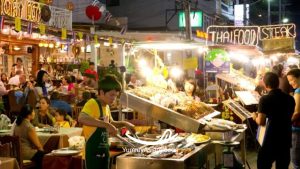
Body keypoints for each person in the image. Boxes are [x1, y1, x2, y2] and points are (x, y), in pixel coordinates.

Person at [78, 75, 135, 169]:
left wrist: (125, 124)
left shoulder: (106, 107)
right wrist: (106, 125)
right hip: (92, 154)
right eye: (111, 95)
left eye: (116, 96)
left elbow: (111, 122)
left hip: (104, 151)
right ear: (101, 92)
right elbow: (82, 118)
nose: (114, 98)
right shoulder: (92, 103)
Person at [252, 72, 295, 169]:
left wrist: (254, 116)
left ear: (265, 84)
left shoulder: (265, 99)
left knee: (263, 165)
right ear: (278, 83)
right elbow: (290, 117)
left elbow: (261, 121)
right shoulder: (290, 99)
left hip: (269, 140)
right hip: (285, 139)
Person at [13, 104, 45, 169]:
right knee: (45, 156)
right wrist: (43, 153)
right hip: (26, 153)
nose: (34, 113)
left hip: (16, 153)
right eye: (33, 112)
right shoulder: (29, 126)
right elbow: (38, 145)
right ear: (29, 115)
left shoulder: (17, 124)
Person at [287, 69, 300, 169]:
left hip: (297, 129)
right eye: (289, 81)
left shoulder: (298, 91)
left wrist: (286, 122)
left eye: (293, 80)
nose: (291, 83)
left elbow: (296, 113)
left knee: (296, 160)